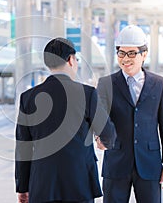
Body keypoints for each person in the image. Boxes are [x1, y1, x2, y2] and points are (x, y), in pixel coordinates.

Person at [15, 37, 116, 203]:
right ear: (71, 60)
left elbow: (23, 148)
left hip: (42, 184)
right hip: (79, 182)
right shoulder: (87, 94)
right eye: (76, 59)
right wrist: (102, 140)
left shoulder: (28, 97)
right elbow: (108, 133)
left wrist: (23, 187)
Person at [96, 25, 163, 203]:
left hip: (149, 164)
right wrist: (99, 137)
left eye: (132, 53)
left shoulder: (159, 84)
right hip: (116, 163)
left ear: (144, 54)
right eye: (121, 53)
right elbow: (99, 117)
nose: (126, 59)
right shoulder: (106, 83)